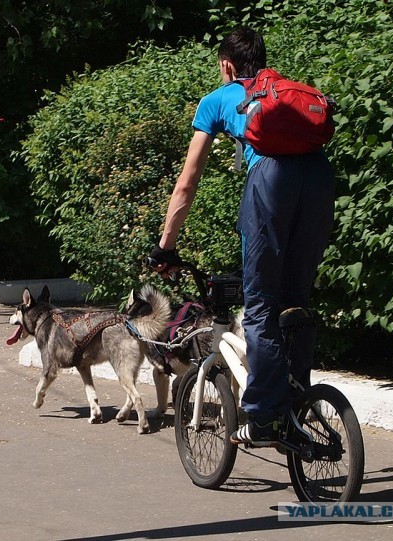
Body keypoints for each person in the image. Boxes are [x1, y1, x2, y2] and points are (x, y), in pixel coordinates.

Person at [149, 26, 336, 446]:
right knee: (295, 301)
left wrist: (165, 246)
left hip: (271, 182)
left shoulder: (218, 100)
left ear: (227, 65)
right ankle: (299, 403)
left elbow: (187, 182)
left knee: (260, 303)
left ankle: (265, 417)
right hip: (320, 179)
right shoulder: (285, 93)